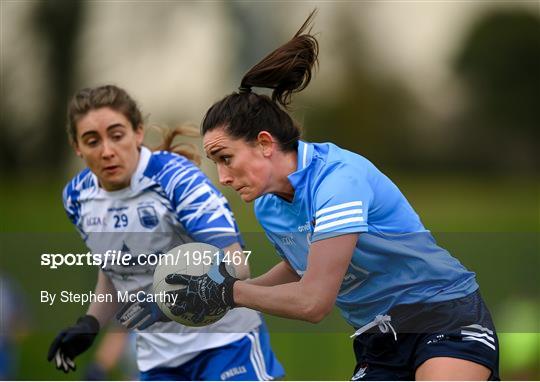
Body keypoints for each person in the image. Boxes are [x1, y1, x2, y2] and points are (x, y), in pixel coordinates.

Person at [164, 11, 500, 381]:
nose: (223, 178)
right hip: (379, 341)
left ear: (263, 143)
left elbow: (313, 301)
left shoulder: (338, 180)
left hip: (444, 316)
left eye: (226, 159)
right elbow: (304, 264)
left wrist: (227, 293)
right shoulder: (268, 205)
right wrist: (207, 296)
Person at [47, 85, 284, 381]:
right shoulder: (77, 198)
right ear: (77, 147)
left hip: (225, 344)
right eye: (92, 140)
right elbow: (116, 273)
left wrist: (167, 303)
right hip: (158, 361)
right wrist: (90, 323)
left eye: (116, 135)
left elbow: (237, 265)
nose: (107, 151)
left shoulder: (177, 180)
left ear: (138, 133)